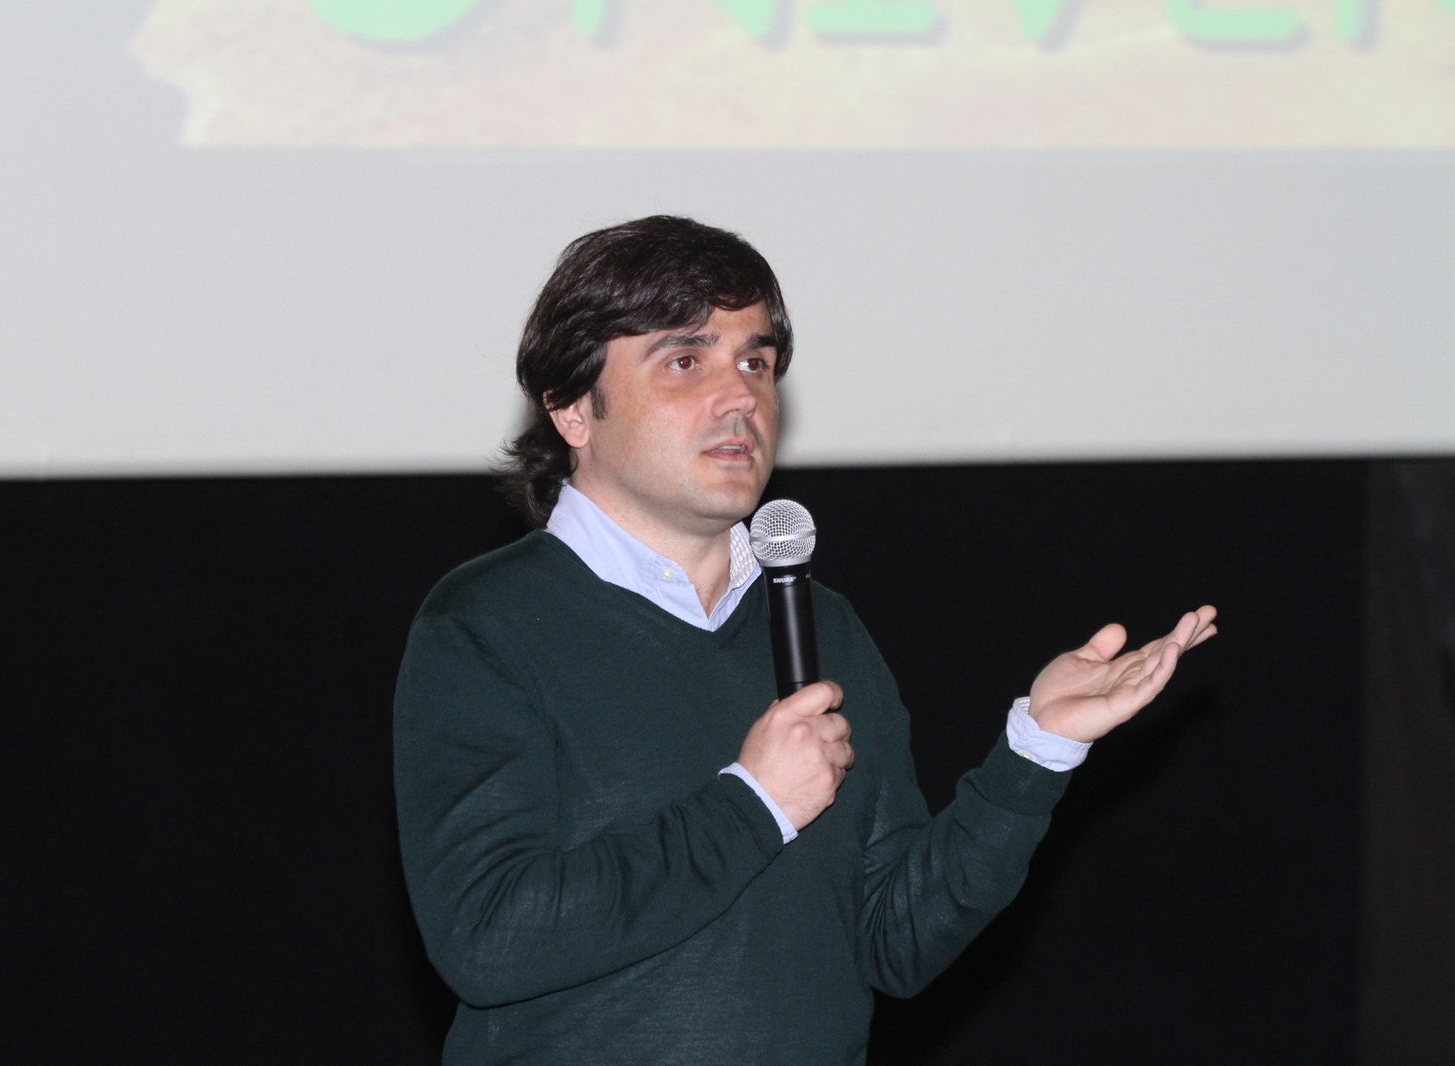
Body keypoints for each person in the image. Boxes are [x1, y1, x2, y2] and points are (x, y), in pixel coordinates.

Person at [393, 216, 1216, 1064]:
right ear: (573, 408)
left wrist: (1035, 755)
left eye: (756, 361)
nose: (741, 395)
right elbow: (490, 937)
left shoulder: (822, 626)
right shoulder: (487, 624)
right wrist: (753, 805)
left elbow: (894, 944)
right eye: (686, 360)